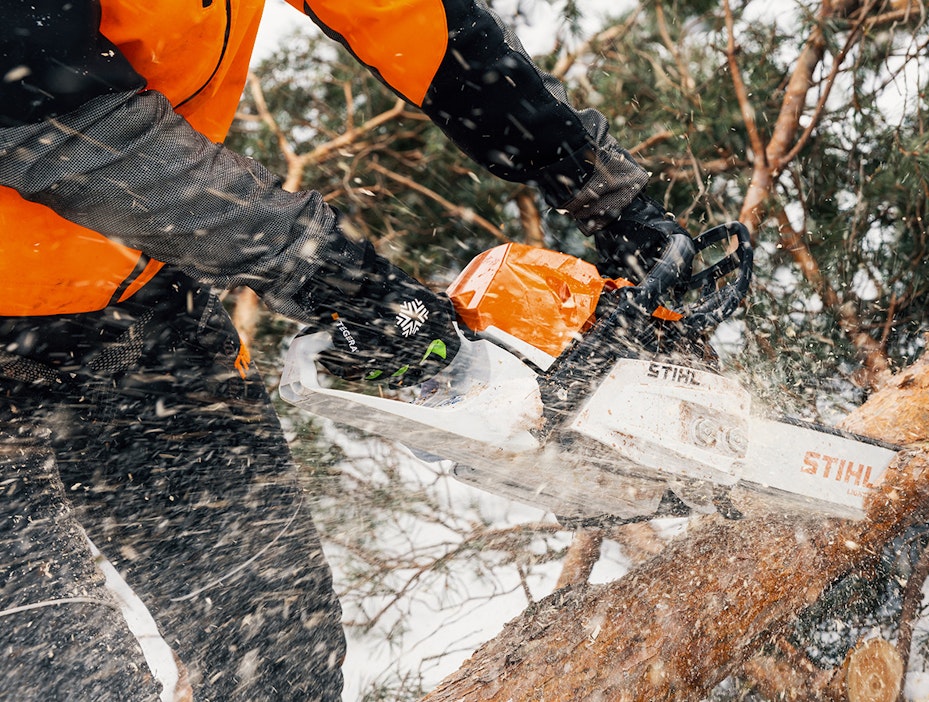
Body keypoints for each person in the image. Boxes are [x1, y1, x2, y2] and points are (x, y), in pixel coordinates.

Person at [0, 1, 690, 699]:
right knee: (67, 675)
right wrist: (330, 272)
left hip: (136, 307)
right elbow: (42, 110)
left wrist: (599, 187)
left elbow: (416, 22)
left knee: (273, 653)